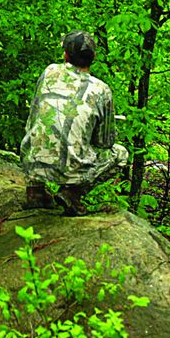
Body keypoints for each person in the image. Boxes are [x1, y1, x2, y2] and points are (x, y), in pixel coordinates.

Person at [20, 30, 128, 215]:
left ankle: (35, 191)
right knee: (120, 154)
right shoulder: (101, 90)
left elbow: (35, 112)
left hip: (32, 161)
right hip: (71, 168)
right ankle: (72, 193)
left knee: (37, 129)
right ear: (93, 58)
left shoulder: (49, 72)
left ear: (65, 55)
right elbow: (105, 142)